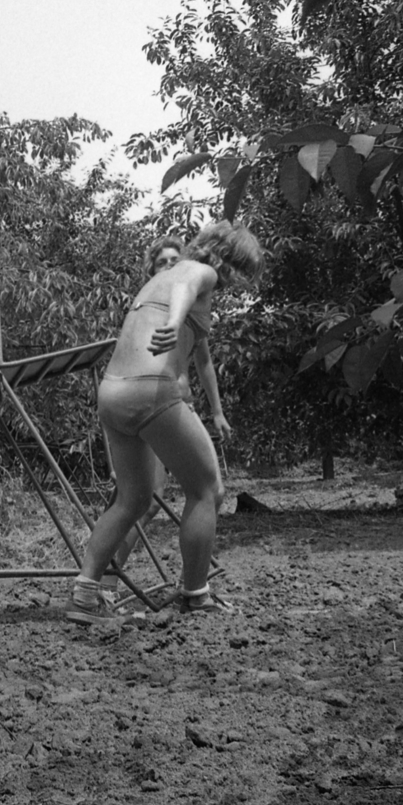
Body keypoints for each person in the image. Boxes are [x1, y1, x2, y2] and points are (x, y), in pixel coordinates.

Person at [69, 221, 264, 626]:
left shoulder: (153, 282)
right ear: (229, 259)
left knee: (133, 499)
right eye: (243, 272)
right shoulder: (198, 270)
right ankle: (196, 596)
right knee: (207, 489)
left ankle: (86, 595)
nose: (238, 283)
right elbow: (186, 288)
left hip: (113, 393)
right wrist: (175, 324)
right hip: (152, 391)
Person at [98, 235, 233, 600]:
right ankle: (111, 581)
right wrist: (174, 319)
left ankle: (94, 585)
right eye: (163, 261)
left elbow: (204, 362)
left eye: (176, 258)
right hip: (153, 403)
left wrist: (217, 412)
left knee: (144, 498)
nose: (171, 265)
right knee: (150, 498)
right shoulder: (160, 305)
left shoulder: (192, 310)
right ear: (153, 268)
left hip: (173, 406)